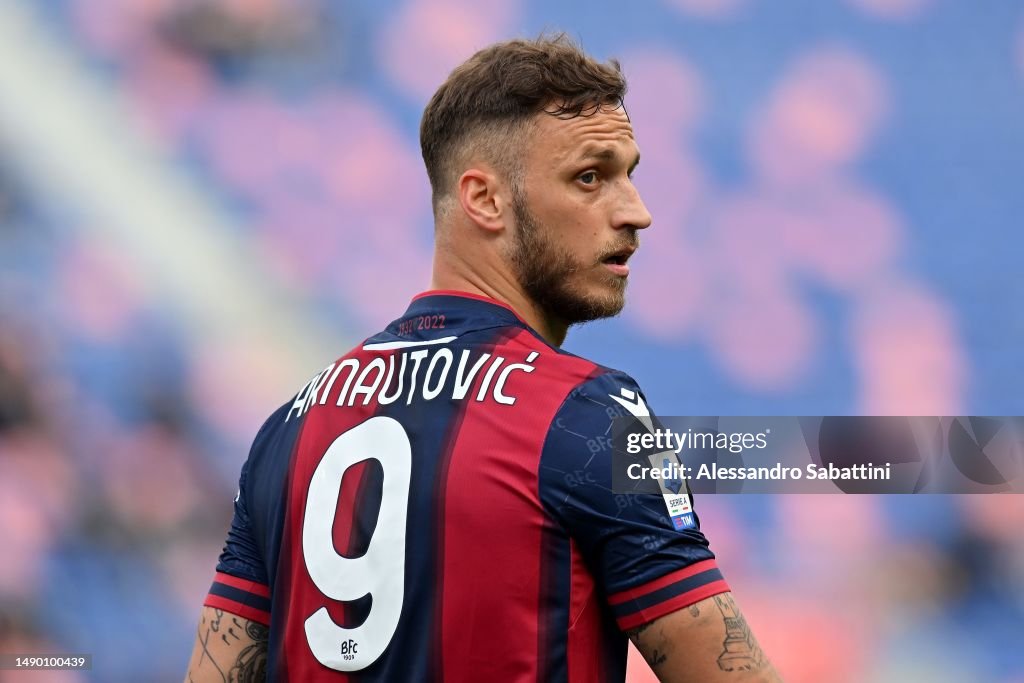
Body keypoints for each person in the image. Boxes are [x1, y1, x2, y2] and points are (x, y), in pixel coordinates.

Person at [185, 34, 781, 683]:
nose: (636, 212)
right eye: (590, 177)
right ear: (485, 199)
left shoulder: (289, 429)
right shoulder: (590, 417)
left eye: (629, 174)